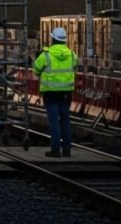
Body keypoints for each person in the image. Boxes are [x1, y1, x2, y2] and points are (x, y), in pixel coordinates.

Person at [33, 26, 77, 158]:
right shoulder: (71, 54)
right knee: (65, 120)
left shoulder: (46, 55)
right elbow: (75, 65)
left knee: (54, 121)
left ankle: (55, 150)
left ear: (53, 39)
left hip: (51, 93)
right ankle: (67, 150)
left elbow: (36, 69)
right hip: (66, 93)